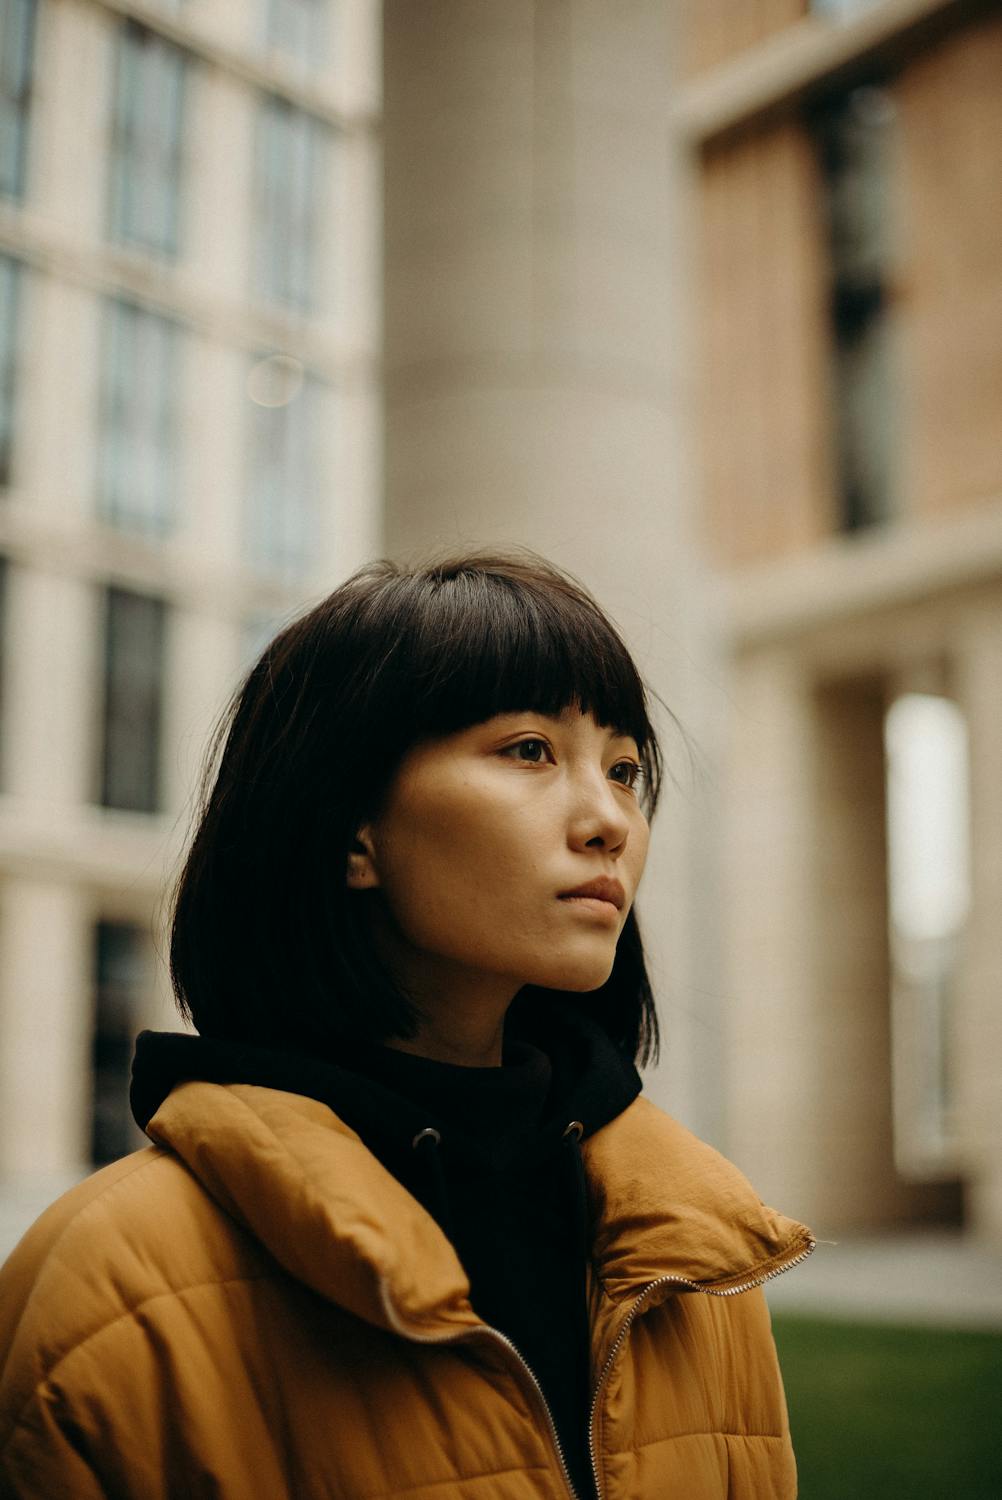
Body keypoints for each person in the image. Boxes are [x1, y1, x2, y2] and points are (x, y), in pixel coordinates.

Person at [0, 552, 813, 1500]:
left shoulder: (694, 1258)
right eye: (529, 750)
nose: (610, 822)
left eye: (626, 769)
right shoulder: (105, 1285)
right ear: (353, 830)